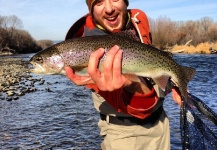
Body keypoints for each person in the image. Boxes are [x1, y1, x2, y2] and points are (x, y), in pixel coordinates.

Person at [64, 0, 181, 149]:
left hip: (162, 123)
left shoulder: (138, 19)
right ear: (91, 9)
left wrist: (174, 82)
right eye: (99, 2)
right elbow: (142, 107)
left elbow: (149, 64)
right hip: (125, 135)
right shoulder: (80, 51)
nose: (109, 9)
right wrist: (131, 85)